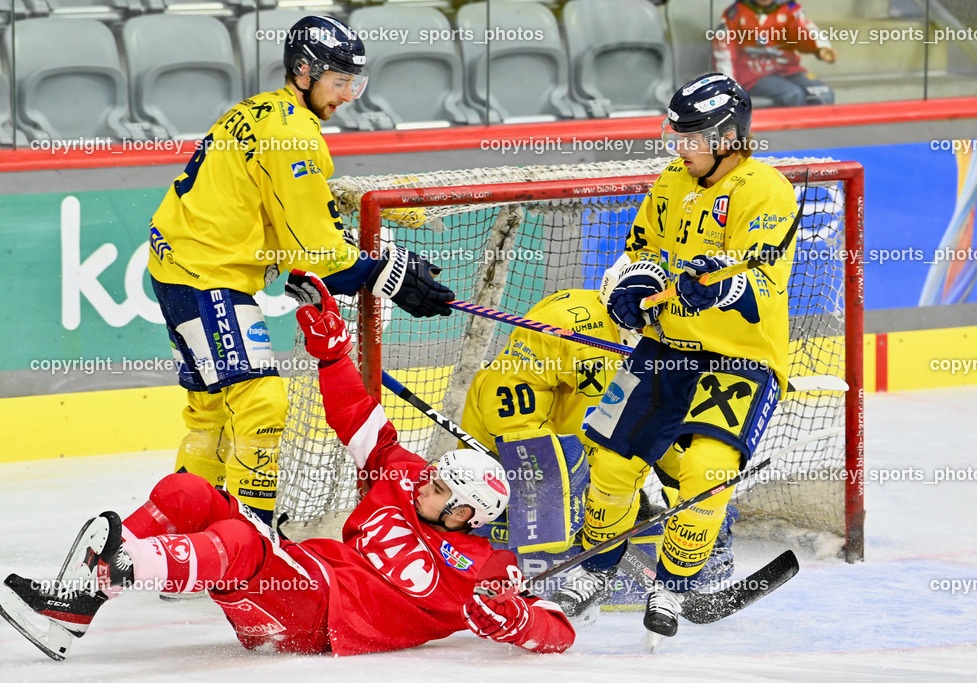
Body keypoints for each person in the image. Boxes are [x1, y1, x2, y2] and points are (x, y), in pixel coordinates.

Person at [0, 272, 574, 661]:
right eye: (431, 474)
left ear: (466, 512)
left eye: (439, 485)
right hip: (298, 581)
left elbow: (558, 630)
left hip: (320, 622)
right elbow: (354, 414)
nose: (424, 479)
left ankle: (115, 569)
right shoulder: (397, 477)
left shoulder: (483, 568)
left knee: (240, 540)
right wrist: (332, 353)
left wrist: (518, 623)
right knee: (186, 493)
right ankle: (75, 602)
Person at [146, 16, 454, 524]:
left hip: (178, 263)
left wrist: (355, 257)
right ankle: (249, 540)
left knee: (213, 414)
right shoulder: (293, 134)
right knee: (262, 407)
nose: (348, 96)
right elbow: (321, 260)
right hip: (207, 275)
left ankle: (188, 530)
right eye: (339, 82)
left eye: (355, 82)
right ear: (304, 71)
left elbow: (285, 222)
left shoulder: (261, 109)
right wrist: (391, 273)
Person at [548, 72, 797, 644]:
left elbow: (761, 277)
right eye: (677, 134)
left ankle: (674, 584)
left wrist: (719, 287)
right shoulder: (671, 183)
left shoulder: (766, 190)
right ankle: (595, 571)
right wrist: (628, 288)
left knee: (707, 475)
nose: (680, 147)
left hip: (737, 361)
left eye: (693, 136)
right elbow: (638, 254)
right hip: (662, 350)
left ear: (730, 136)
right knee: (610, 463)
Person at [462, 261, 737, 594]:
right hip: (510, 452)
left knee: (684, 471)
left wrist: (700, 504)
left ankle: (683, 553)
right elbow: (508, 411)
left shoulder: (676, 337)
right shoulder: (563, 322)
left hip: (585, 456)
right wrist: (557, 493)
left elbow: (668, 431)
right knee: (558, 530)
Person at [712, 0, 837, 107]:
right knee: (792, 94)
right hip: (754, 73)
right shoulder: (735, 14)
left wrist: (821, 47)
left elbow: (804, 31)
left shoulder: (789, 9)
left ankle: (816, 134)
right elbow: (724, 53)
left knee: (823, 93)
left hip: (788, 69)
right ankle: (793, 134)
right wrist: (730, 86)